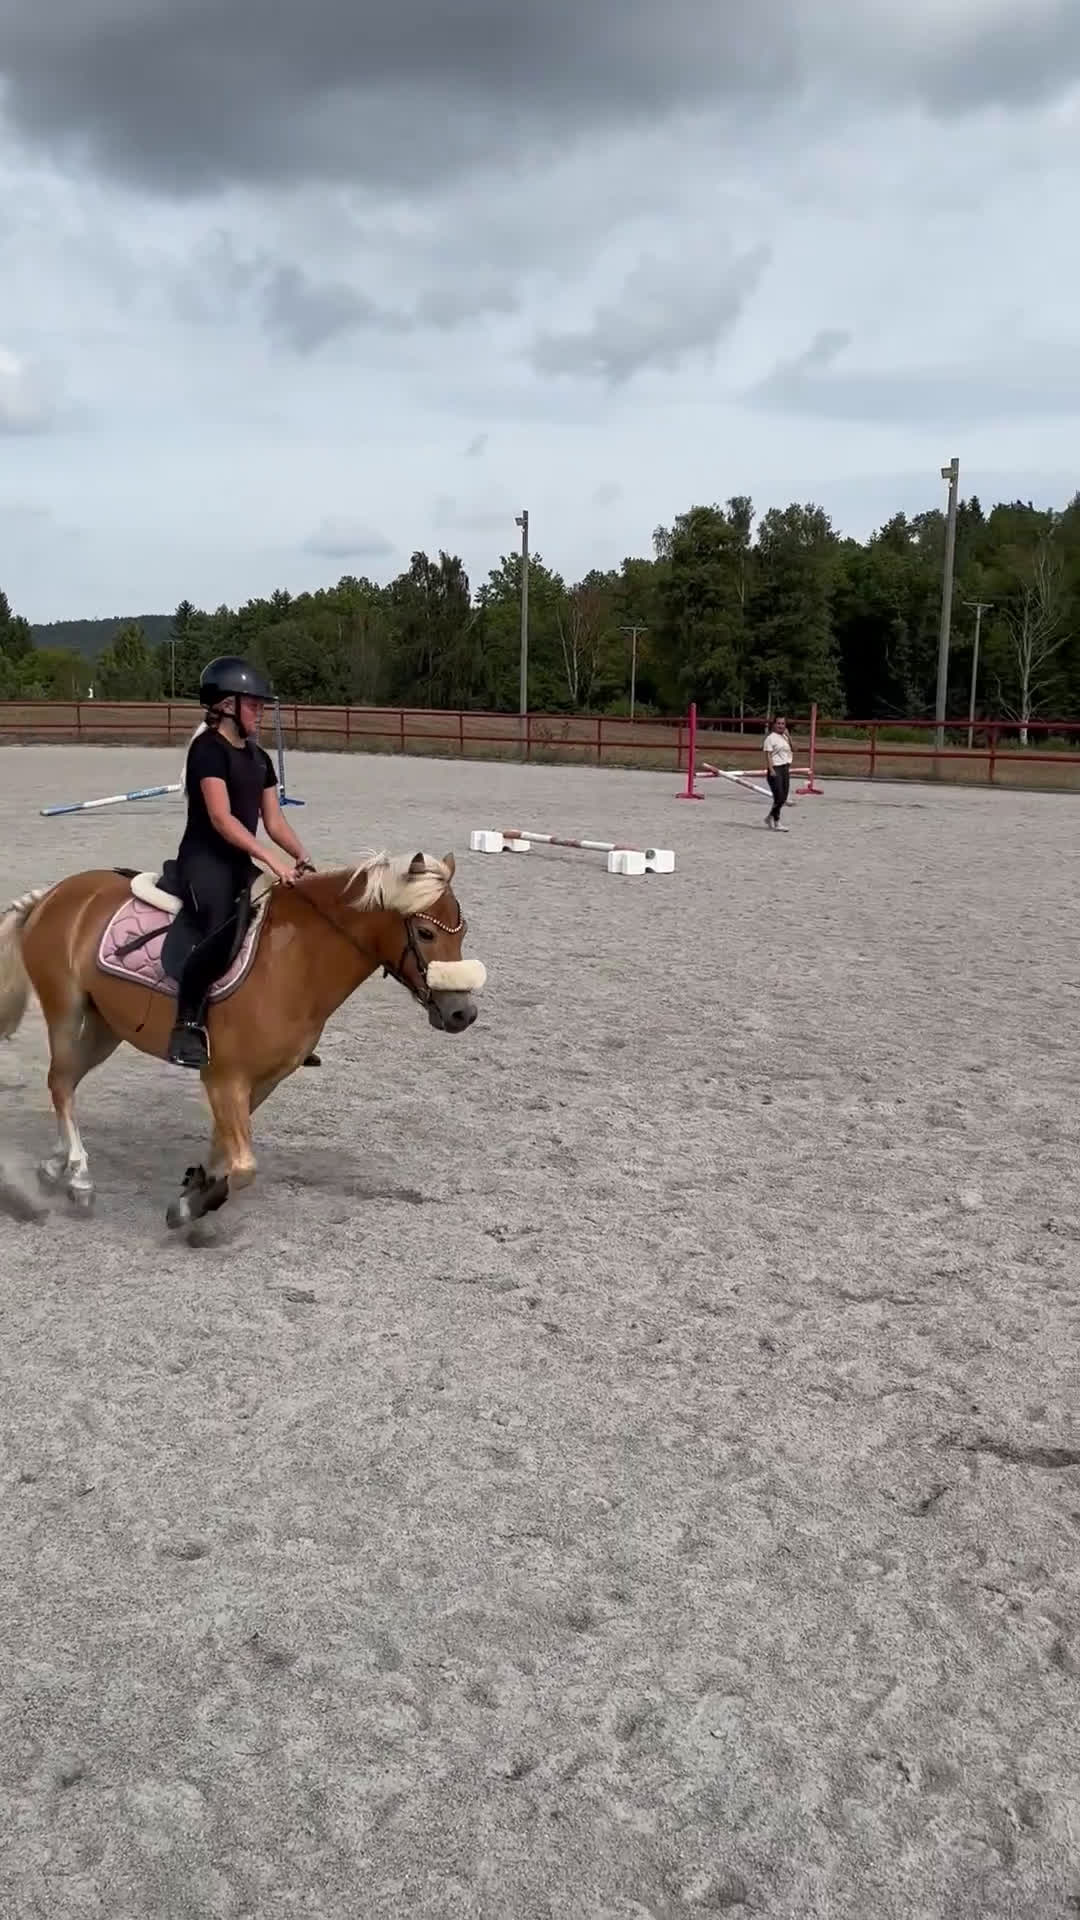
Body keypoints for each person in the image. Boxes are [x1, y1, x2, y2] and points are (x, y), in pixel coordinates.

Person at [166, 655, 312, 1070]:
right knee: (219, 928)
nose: (260, 711)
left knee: (284, 922)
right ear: (226, 705)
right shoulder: (206, 750)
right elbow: (220, 817)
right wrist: (268, 857)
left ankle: (275, 1025)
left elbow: (274, 819)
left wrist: (300, 854)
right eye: (253, 704)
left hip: (240, 860)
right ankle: (187, 1024)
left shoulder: (259, 759)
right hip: (204, 861)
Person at [763, 715, 793, 831]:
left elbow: (795, 749)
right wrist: (771, 770)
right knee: (779, 797)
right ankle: (777, 822)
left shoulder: (785, 737)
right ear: (774, 724)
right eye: (779, 723)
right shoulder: (770, 738)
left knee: (783, 797)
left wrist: (789, 737)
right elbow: (768, 755)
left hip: (785, 768)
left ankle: (769, 817)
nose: (781, 726)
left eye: (783, 724)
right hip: (776, 768)